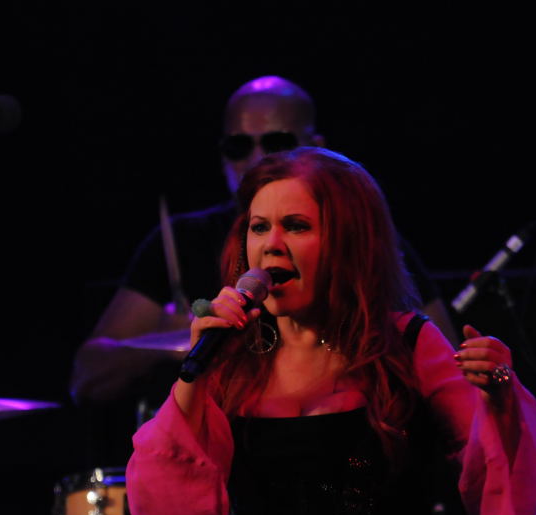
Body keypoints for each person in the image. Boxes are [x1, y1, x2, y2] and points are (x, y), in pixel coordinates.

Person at [125, 147, 536, 515]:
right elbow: (163, 508)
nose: (271, 244)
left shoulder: (408, 346)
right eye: (259, 227)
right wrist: (195, 376)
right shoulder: (232, 361)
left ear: (349, 241)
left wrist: (500, 397)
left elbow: (500, 493)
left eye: (296, 226)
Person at [70, 75, 455, 405]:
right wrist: (186, 339)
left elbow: (442, 360)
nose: (256, 159)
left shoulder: (357, 232)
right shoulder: (183, 240)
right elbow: (88, 377)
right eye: (239, 146)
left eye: (276, 142)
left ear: (316, 146)